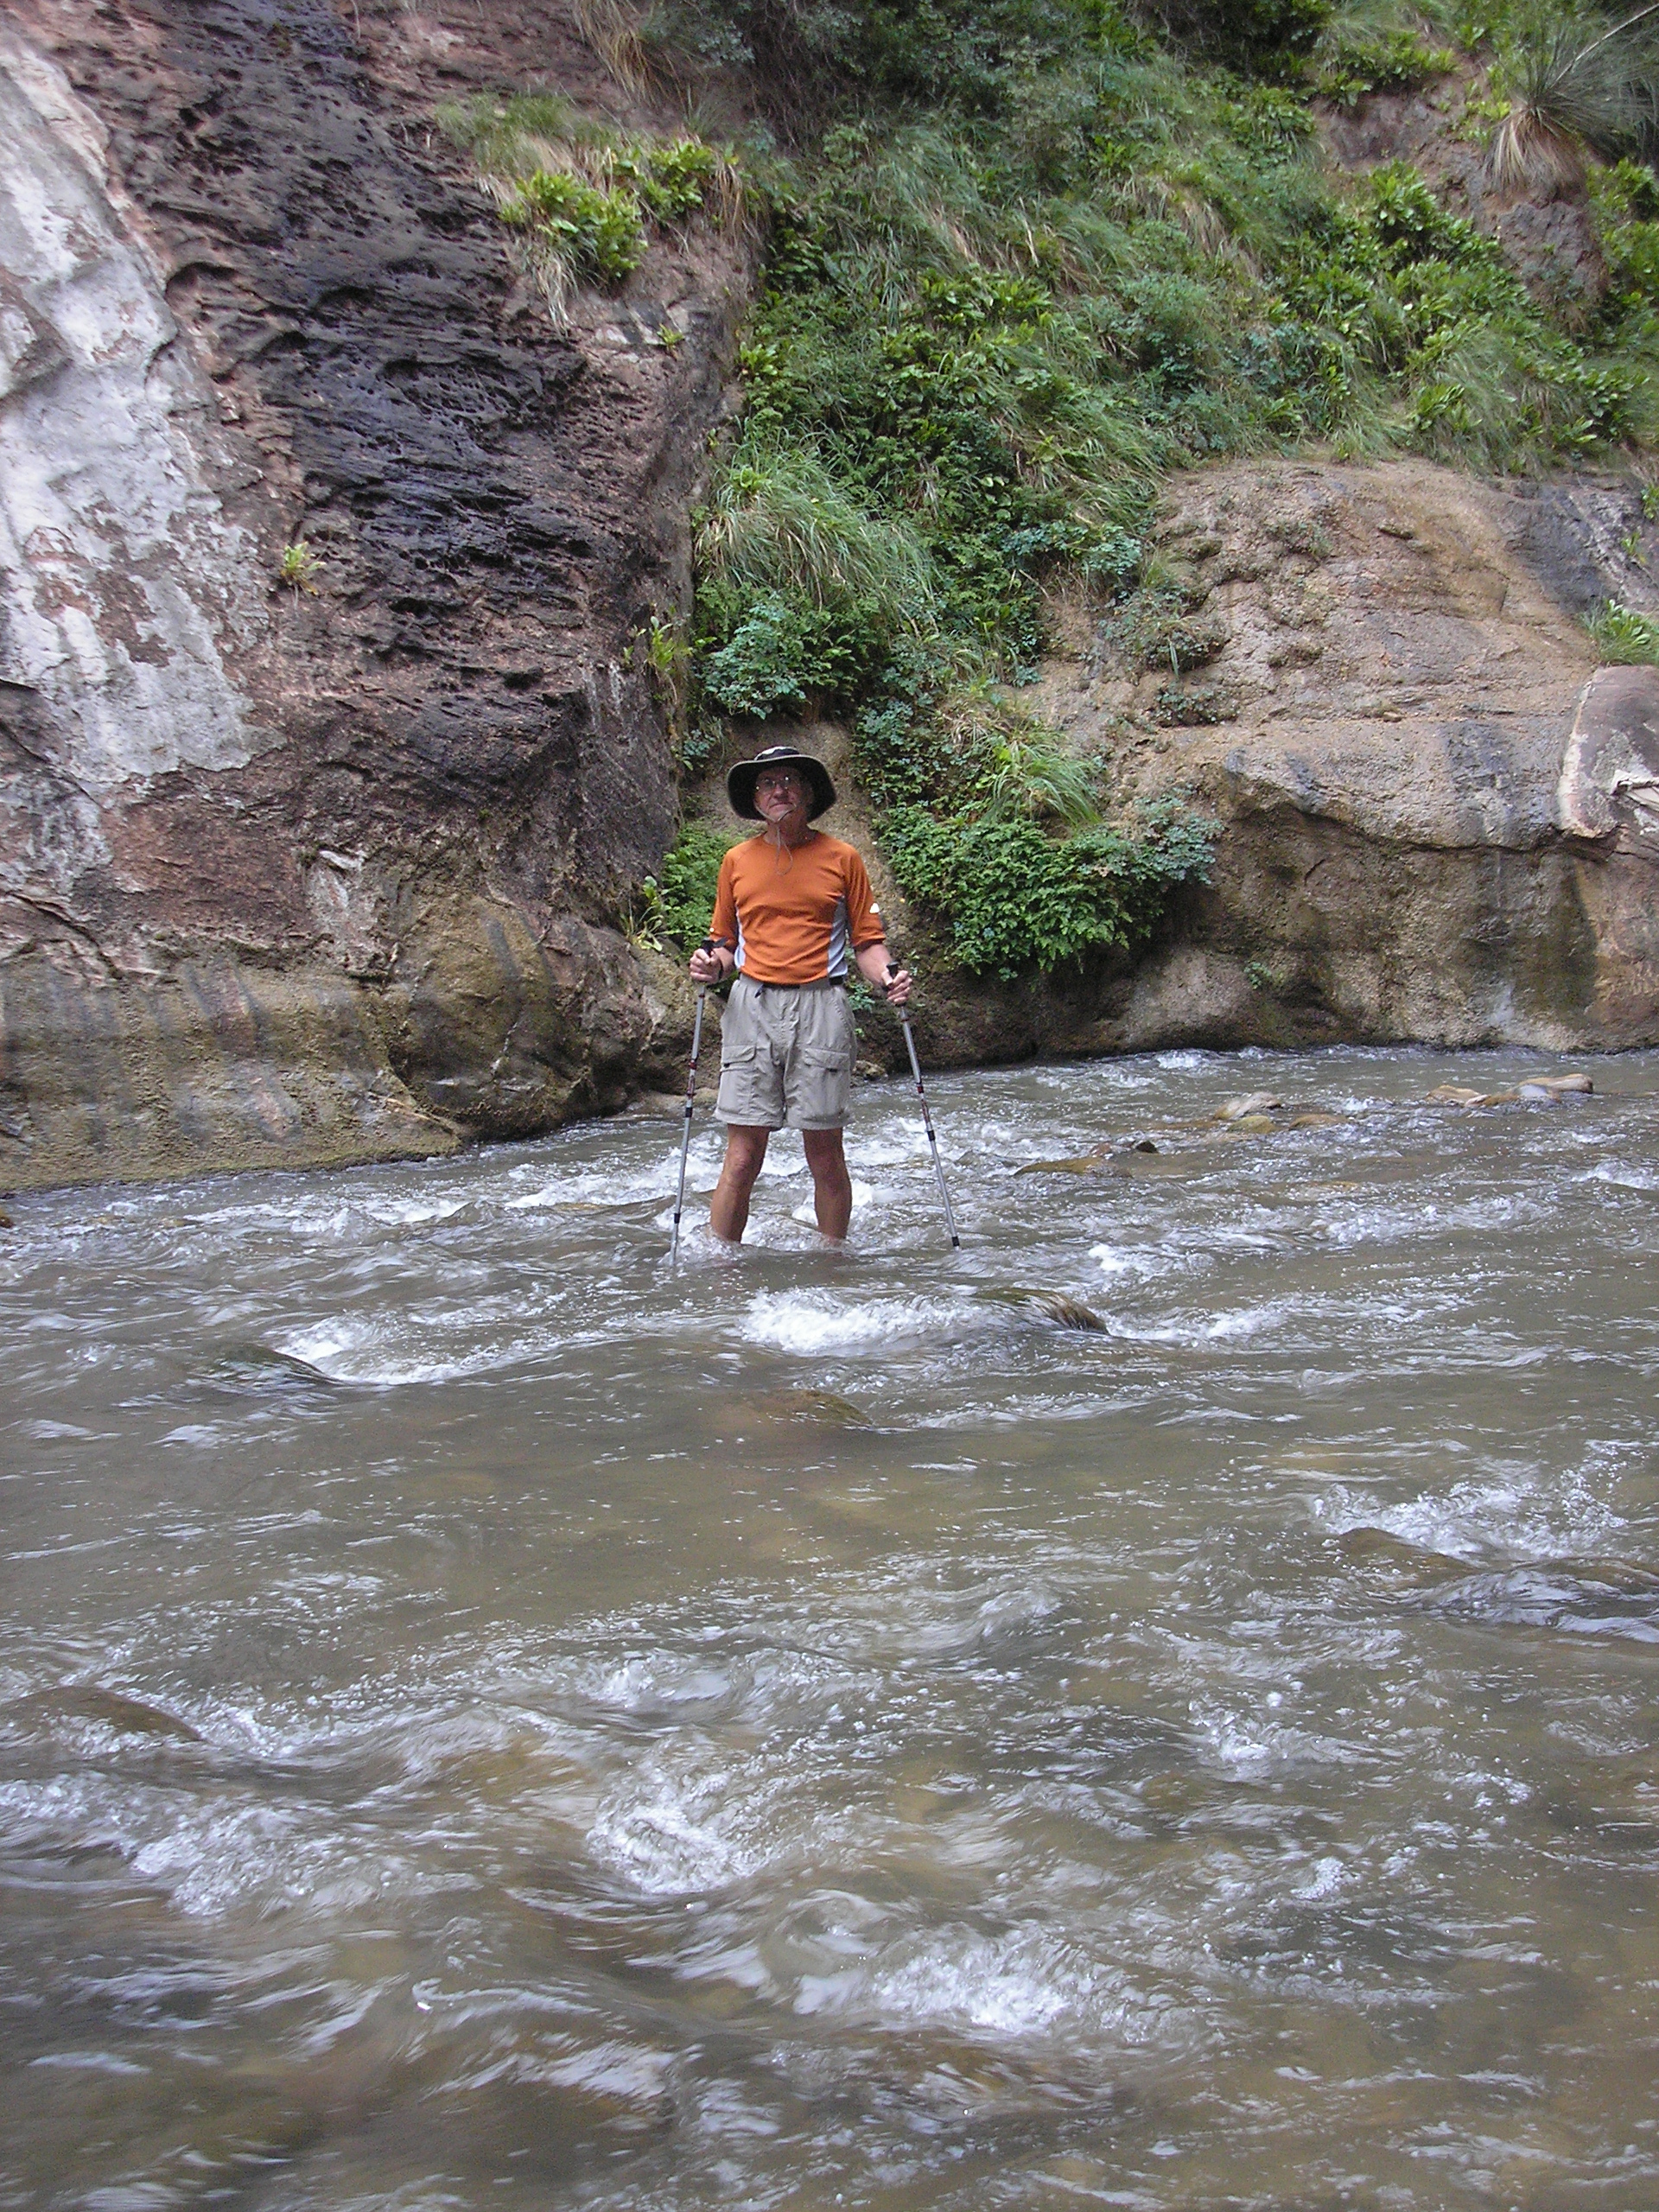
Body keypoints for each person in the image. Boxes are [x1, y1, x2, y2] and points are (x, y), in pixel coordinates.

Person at [689, 745, 911, 1243]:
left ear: (809, 794)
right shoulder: (737, 861)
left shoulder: (842, 858)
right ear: (756, 798)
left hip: (821, 1005)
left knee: (825, 1153)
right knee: (743, 1154)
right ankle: (721, 1272)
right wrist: (710, 965)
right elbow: (723, 942)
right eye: (767, 783)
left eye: (789, 780)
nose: (779, 790)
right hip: (753, 1004)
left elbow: (868, 944)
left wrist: (888, 977)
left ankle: (832, 1266)